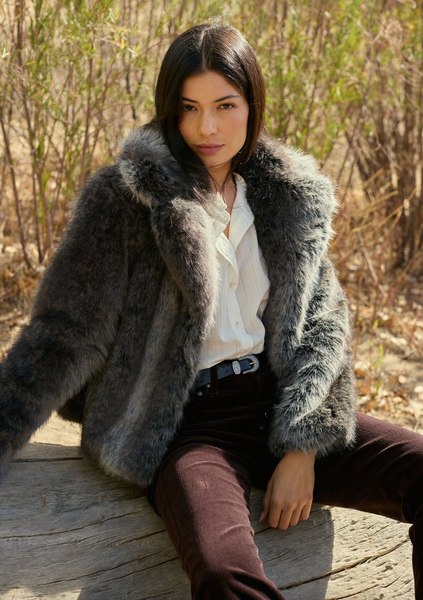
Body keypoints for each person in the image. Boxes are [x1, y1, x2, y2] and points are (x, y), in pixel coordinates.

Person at [0, 22, 422, 600]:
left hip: (279, 404)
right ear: (168, 110)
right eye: (189, 108)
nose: (207, 128)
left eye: (225, 106)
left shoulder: (287, 196)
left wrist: (303, 445)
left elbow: (322, 327)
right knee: (225, 576)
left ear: (252, 105)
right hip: (186, 424)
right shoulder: (125, 199)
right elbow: (63, 335)